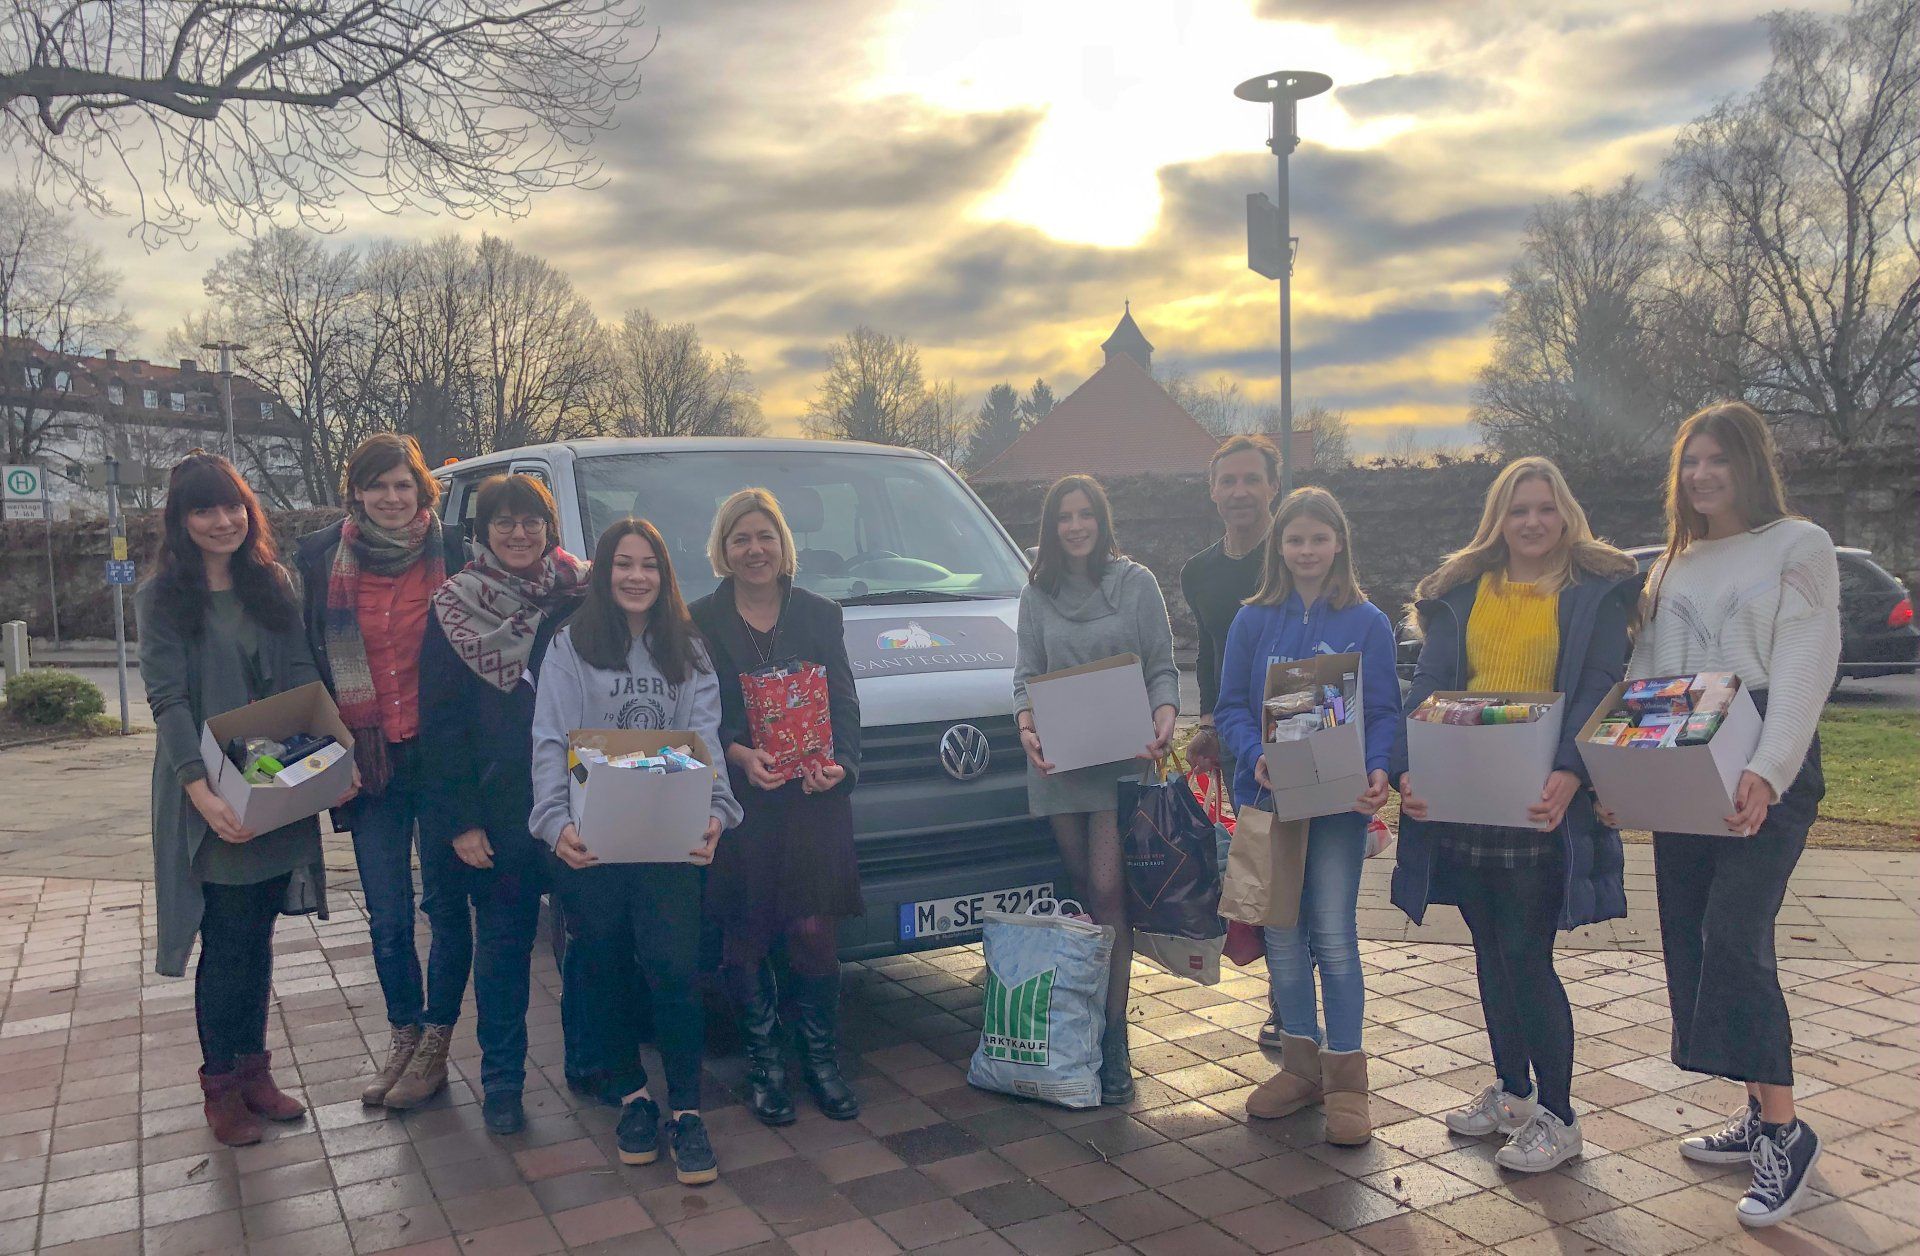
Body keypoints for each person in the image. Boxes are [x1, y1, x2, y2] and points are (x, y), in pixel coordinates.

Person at [1625, 403, 1839, 1228]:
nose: (1702, 475)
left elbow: (1805, 666)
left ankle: (1785, 1132)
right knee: (1695, 935)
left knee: (1735, 934)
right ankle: (1755, 1111)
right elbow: (1648, 675)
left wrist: (1769, 769)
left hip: (1761, 756)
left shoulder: (1799, 545)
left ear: (1752, 465)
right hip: (1684, 756)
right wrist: (1626, 774)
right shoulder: (1672, 564)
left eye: (1718, 459)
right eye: (1691, 461)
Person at [1390, 458, 1637, 1172]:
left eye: (1545, 508)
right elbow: (1430, 685)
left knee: (1527, 954)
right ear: (1497, 519)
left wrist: (1570, 771)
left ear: (1566, 515)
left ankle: (1560, 1116)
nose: (1532, 522)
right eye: (1518, 509)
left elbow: (1599, 687)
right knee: (1491, 951)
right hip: (1468, 798)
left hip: (1540, 802)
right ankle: (1513, 1093)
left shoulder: (1593, 595)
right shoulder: (1460, 593)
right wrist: (1410, 766)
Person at [137, 452, 357, 1146]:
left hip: (273, 779)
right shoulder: (161, 598)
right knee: (227, 940)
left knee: (257, 934)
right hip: (208, 788)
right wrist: (200, 794)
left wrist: (336, 752)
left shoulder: (271, 582)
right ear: (181, 520)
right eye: (204, 509)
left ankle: (255, 1070)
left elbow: (300, 675)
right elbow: (168, 700)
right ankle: (222, 1087)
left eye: (232, 506)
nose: (222, 520)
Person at [530, 517, 742, 1186]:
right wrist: (553, 823)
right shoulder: (570, 646)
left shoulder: (689, 649)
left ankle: (687, 1110)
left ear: (664, 574)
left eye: (648, 564)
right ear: (603, 572)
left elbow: (705, 737)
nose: (636, 576)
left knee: (675, 970)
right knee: (605, 966)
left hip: (669, 836)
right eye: (623, 563)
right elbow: (550, 739)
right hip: (593, 840)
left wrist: (716, 812)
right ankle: (632, 1098)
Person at [1216, 486, 1398, 1146]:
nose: (1307, 550)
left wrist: (1379, 768)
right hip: (1271, 802)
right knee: (1283, 936)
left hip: (1340, 807)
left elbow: (1384, 711)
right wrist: (1253, 752)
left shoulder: (1368, 622)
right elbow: (1230, 707)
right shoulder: (1252, 621)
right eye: (1296, 539)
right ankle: (1299, 1066)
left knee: (1334, 934)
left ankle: (1346, 1080)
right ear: (1280, 546)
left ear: (1339, 542)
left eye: (1319, 538)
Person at [417, 474, 590, 1135]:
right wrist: (460, 821)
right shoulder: (455, 606)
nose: (519, 534)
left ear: (550, 529)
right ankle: (502, 1083)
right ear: (481, 533)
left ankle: (590, 1062)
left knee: (587, 942)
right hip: (499, 807)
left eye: (531, 521)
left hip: (580, 801)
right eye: (504, 523)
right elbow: (440, 722)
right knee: (503, 950)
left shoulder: (581, 597)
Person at [690, 489, 864, 1126]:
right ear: (724, 549)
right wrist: (737, 754)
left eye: (765, 536)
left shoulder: (820, 614)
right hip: (742, 802)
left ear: (783, 543)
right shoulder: (699, 620)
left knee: (814, 931)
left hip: (813, 800)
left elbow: (843, 702)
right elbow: (694, 712)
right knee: (747, 934)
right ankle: (766, 1066)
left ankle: (820, 1062)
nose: (754, 549)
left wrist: (842, 767)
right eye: (740, 538)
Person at [1013, 474, 1179, 1105]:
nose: (1076, 526)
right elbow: (1026, 675)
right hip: (1061, 764)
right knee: (1085, 892)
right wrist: (1025, 725)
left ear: (1102, 520)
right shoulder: (1036, 594)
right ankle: (1082, 1029)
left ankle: (1115, 1037)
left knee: (1109, 892)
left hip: (1121, 761)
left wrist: (1165, 716)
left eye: (1086, 514)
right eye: (1065, 517)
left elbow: (1162, 667)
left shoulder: (1137, 585)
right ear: (1051, 527)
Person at [296, 433, 451, 1109]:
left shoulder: (455, 554)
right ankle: (403, 1034)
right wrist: (333, 753)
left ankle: (436, 1044)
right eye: (377, 485)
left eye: (403, 484)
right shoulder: (318, 559)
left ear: (422, 489)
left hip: (440, 759)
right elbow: (306, 661)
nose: (391, 497)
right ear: (355, 491)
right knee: (388, 916)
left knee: (445, 909)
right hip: (369, 761)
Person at [1182, 435, 1281, 803]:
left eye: (1252, 479)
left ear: (1273, 486)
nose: (1240, 492)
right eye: (1228, 481)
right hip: (1236, 735)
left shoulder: (1299, 559)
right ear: (1213, 491)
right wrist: (1208, 725)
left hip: (1301, 726)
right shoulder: (1197, 571)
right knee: (1256, 837)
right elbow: (1209, 650)